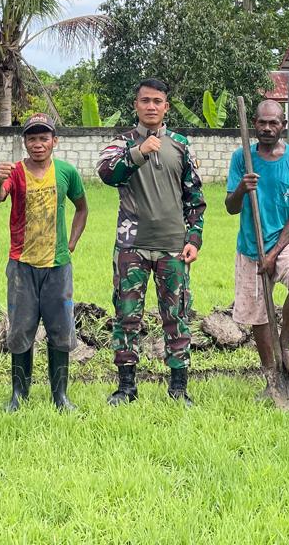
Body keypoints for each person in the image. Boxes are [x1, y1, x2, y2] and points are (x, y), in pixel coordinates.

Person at [97, 78, 205, 405]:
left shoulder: (181, 145)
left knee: (177, 316)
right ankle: (126, 387)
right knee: (127, 315)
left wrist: (194, 238)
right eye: (145, 100)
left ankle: (178, 389)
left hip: (173, 245)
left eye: (157, 101)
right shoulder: (122, 142)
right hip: (132, 245)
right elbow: (106, 172)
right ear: (136, 105)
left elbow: (195, 197)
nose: (151, 106)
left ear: (166, 106)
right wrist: (138, 153)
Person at [0, 113, 89, 412]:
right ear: (25, 142)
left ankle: (60, 395)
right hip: (22, 265)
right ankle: (19, 393)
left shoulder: (66, 172)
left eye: (44, 138)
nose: (38, 143)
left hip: (57, 266)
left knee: (60, 329)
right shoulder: (16, 172)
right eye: (32, 138)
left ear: (54, 141)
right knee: (20, 329)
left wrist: (71, 243)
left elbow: (82, 208)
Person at [224, 100, 289, 393]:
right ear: (254, 124)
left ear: (283, 126)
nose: (266, 128)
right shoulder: (242, 158)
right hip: (251, 246)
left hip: (284, 241)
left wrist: (274, 254)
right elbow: (231, 208)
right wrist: (241, 188)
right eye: (261, 123)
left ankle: (285, 344)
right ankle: (271, 377)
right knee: (258, 315)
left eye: (273, 123)